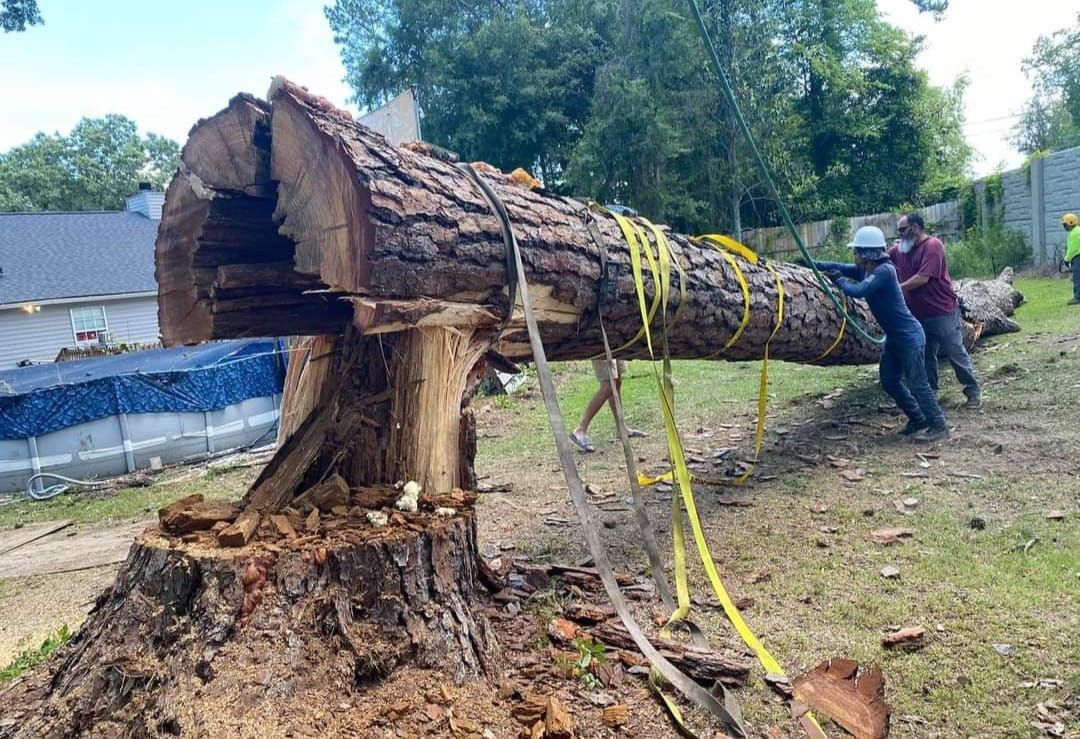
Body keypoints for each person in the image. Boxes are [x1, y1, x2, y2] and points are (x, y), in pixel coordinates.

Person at [810, 226, 950, 443]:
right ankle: (918, 418)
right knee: (889, 380)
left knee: (918, 383)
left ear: (867, 253)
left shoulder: (884, 271)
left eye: (856, 251)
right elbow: (838, 266)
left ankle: (939, 425)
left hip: (909, 338)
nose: (854, 255)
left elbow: (858, 291)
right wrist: (813, 264)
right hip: (896, 338)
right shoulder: (866, 269)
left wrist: (838, 280)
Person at [890, 213, 981, 410]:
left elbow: (923, 278)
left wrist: (895, 288)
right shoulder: (899, 250)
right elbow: (879, 261)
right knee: (925, 356)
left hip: (942, 311)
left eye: (902, 230)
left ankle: (972, 391)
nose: (899, 235)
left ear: (915, 228)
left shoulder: (933, 246)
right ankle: (931, 395)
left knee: (955, 352)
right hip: (917, 314)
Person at [570, 358, 647, 453]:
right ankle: (580, 429)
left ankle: (621, 428)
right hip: (600, 345)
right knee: (608, 386)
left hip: (614, 344)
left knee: (617, 381)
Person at [1062, 213, 1080, 305]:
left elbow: (1073, 249)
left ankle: (1077, 298)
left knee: (1077, 278)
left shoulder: (1074, 234)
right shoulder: (1078, 231)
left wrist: (1066, 259)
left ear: (1070, 223)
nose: (1064, 226)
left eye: (1065, 224)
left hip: (1078, 258)